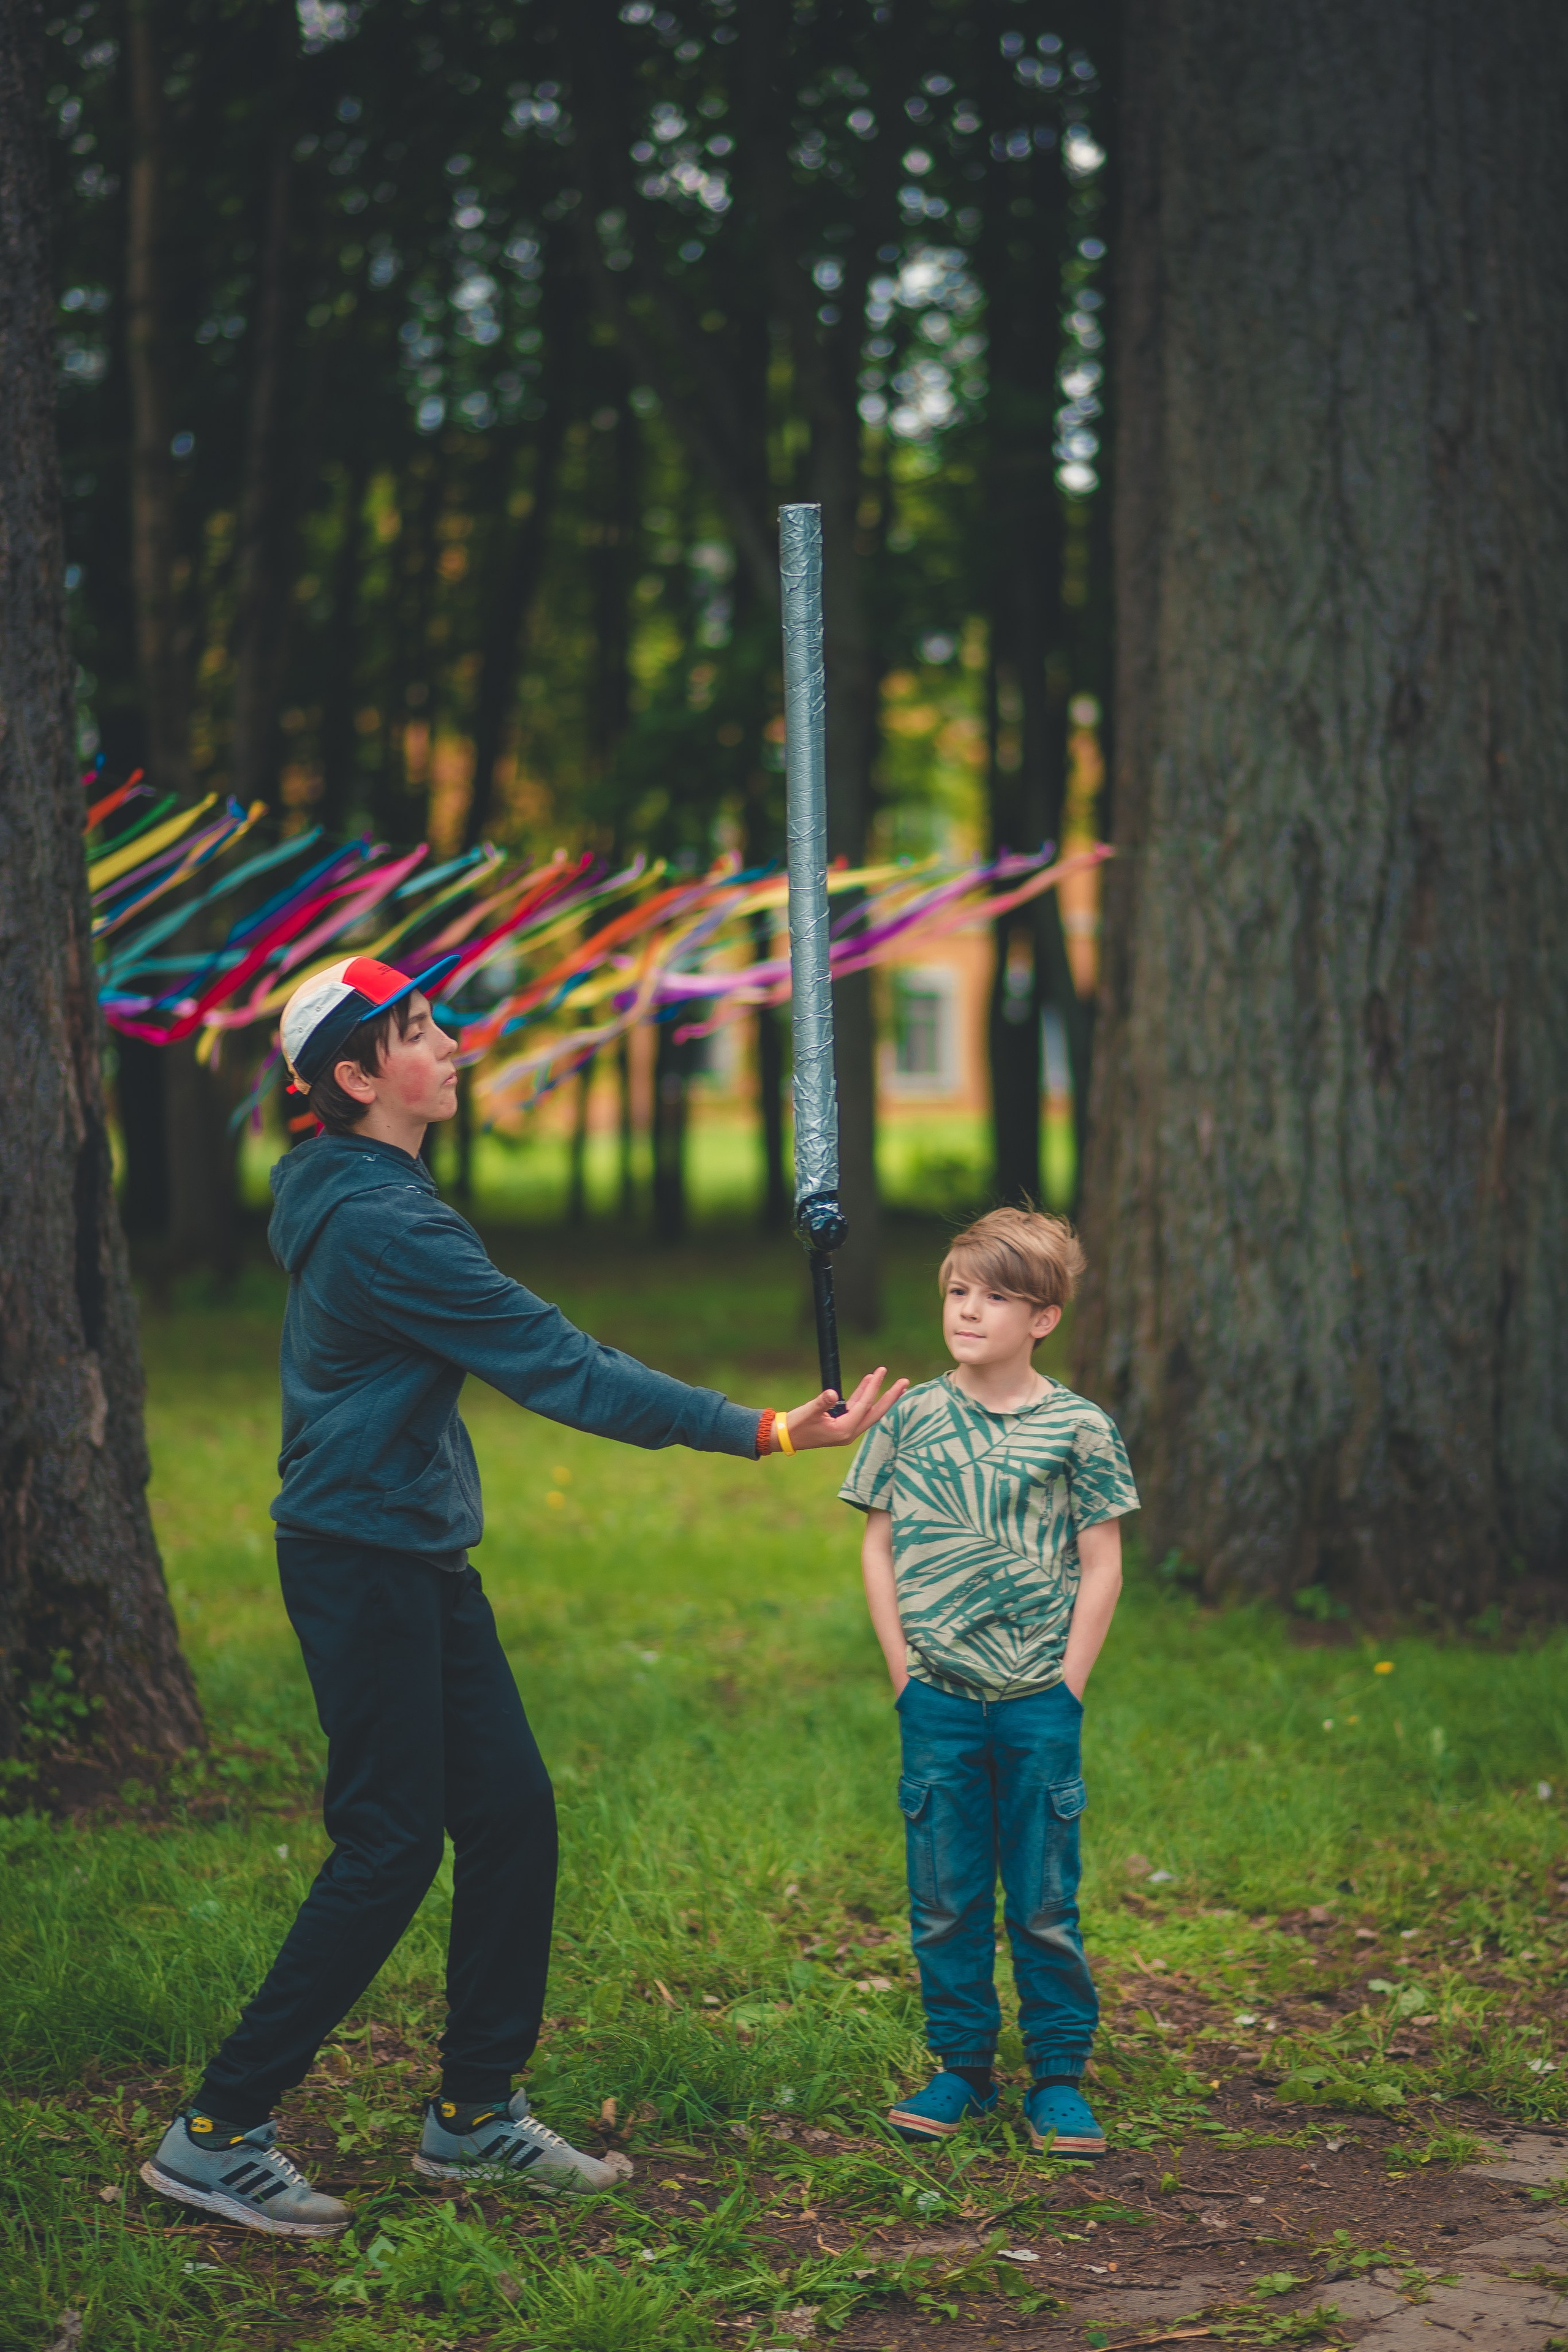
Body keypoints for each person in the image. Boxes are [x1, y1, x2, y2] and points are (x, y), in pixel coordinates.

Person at [141, 954, 905, 2239]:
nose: (450, 1045)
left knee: (511, 1817)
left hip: (409, 1552)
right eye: (420, 1032)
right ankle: (215, 2133)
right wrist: (765, 1430)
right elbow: (562, 1367)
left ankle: (474, 2117)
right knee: (390, 1845)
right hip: (360, 1559)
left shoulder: (373, 1190)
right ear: (354, 1077)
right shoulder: (387, 1223)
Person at [839, 1206, 1137, 2159]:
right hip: (936, 1698)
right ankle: (961, 2068)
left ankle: (1057, 2078)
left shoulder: (1080, 1429)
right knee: (946, 1895)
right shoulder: (912, 1417)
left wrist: (1069, 1684)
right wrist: (901, 1670)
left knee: (1044, 1899)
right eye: (958, 1293)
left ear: (1042, 1317)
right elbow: (877, 1544)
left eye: (994, 1297)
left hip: (1038, 1700)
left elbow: (1103, 1561)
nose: (967, 1312)